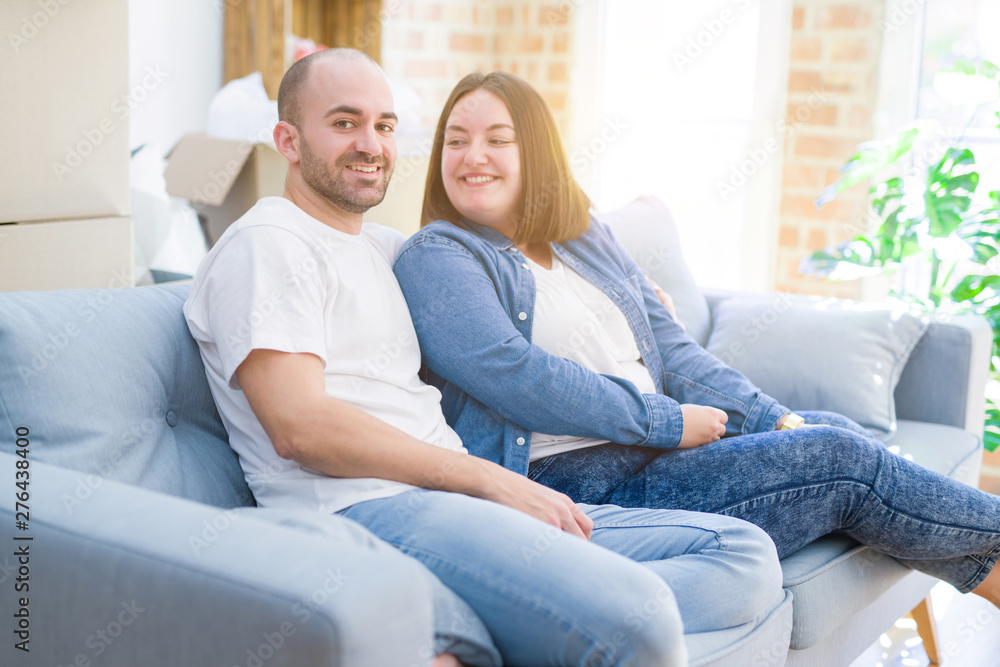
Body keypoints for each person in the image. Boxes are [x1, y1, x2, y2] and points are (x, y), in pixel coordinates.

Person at [183, 48, 791, 667]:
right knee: (644, 622)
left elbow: (499, 305)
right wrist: (489, 478)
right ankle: (545, 617)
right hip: (370, 508)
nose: (370, 143)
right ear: (287, 139)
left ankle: (515, 620)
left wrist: (626, 293)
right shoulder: (268, 244)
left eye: (385, 125)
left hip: (460, 505)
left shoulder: (386, 249)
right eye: (344, 123)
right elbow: (299, 426)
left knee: (743, 556)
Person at [392, 70, 1000, 609]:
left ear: (538, 153)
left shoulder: (582, 237)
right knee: (841, 460)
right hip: (569, 480)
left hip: (654, 455)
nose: (474, 156)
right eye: (456, 139)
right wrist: (665, 420)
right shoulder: (438, 256)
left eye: (499, 139)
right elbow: (516, 375)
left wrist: (774, 418)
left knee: (825, 427)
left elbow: (672, 350)